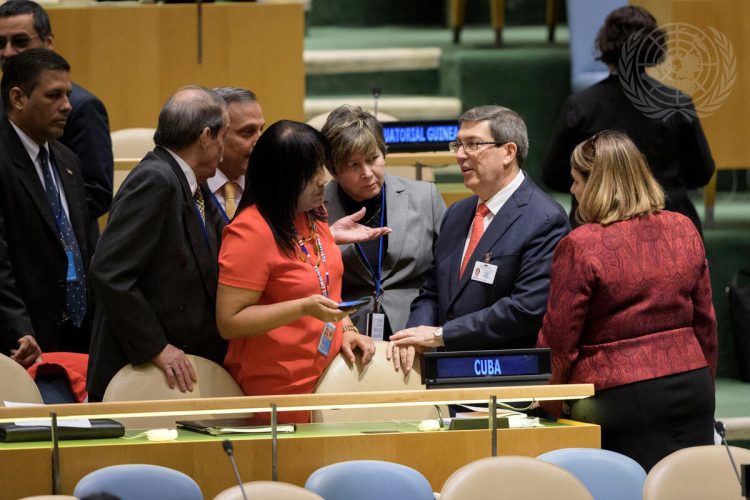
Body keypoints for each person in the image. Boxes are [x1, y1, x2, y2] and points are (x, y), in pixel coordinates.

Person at [537, 130, 717, 471]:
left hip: (619, 395)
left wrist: (548, 404)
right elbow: (706, 323)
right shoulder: (684, 227)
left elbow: (560, 339)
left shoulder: (581, 245)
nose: (573, 191)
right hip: (692, 387)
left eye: (576, 182)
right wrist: (705, 382)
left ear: (597, 185)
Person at [216, 120, 375, 423]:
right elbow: (229, 321)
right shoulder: (250, 231)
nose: (323, 180)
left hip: (327, 377)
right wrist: (303, 307)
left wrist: (347, 330)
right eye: (311, 173)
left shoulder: (312, 214)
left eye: (322, 168)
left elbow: (328, 286)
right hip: (277, 389)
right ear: (282, 178)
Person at [389, 105, 570, 372]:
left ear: (508, 152)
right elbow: (432, 291)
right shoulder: (457, 214)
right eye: (458, 145)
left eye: (473, 144)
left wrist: (441, 335)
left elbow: (525, 309)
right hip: (443, 369)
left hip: (506, 373)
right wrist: (414, 334)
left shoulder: (544, 219)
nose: (461, 155)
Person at [86, 86, 229, 401]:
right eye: (223, 135)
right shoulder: (155, 180)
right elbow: (109, 271)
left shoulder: (194, 183)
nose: (224, 146)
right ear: (206, 136)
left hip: (183, 366)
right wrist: (156, 346)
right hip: (140, 373)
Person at [541, 5, 714, 236]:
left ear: (604, 45)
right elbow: (701, 172)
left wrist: (600, 189)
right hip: (670, 230)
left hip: (598, 230)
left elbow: (553, 174)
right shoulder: (677, 103)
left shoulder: (581, 105)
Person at [321, 105, 446, 340]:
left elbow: (446, 273)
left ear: (383, 153)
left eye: (372, 159)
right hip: (346, 333)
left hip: (416, 327)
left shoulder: (425, 197)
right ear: (334, 169)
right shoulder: (316, 210)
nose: (367, 173)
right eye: (353, 165)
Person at [0, 48, 91, 365]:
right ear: (18, 98)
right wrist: (20, 331)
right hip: (21, 342)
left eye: (67, 94)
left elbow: (83, 246)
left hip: (74, 331)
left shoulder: (67, 160)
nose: (67, 105)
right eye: (54, 95)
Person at [0, 0, 113, 248]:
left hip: (66, 249)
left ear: (48, 43)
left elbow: (97, 192)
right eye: (1, 43)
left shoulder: (82, 107)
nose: (7, 52)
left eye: (19, 41)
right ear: (16, 99)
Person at [208, 87, 264, 222]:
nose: (261, 141)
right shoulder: (188, 189)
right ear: (216, 136)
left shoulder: (269, 187)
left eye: (261, 129)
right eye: (248, 132)